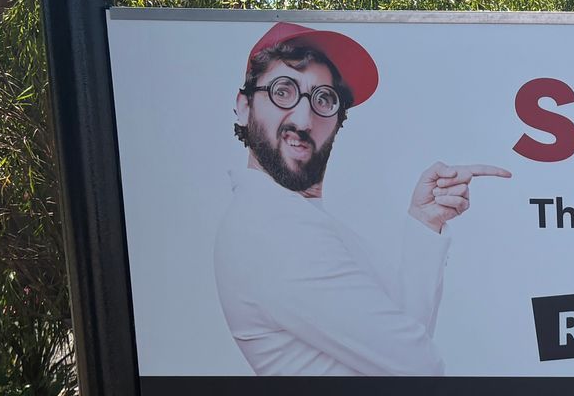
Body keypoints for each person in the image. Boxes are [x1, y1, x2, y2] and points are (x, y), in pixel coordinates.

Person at [213, 21, 507, 376]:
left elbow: (407, 337)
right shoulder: (274, 225)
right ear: (244, 106)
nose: (304, 120)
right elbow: (419, 367)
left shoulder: (295, 216)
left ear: (338, 120)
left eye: (323, 99)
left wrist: (425, 223)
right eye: (283, 91)